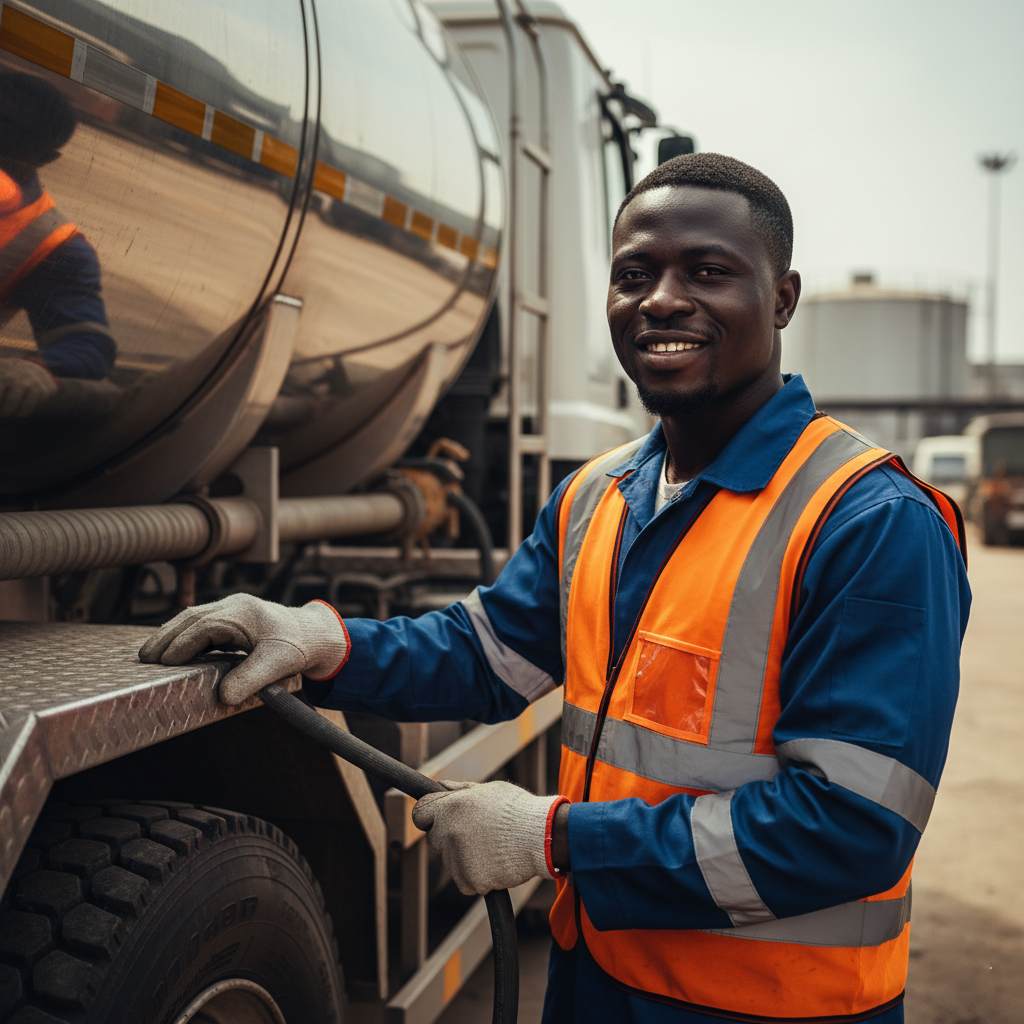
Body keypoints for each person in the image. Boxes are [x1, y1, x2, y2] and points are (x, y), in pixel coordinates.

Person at [140, 153, 970, 1024]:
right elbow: (488, 656)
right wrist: (323, 643)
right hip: (595, 981)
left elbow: (851, 829)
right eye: (634, 275)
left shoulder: (869, 520)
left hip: (766, 1009)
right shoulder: (597, 496)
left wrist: (555, 837)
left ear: (783, 298)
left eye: (709, 272)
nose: (663, 299)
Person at [0, 71, 115, 417]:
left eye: (7, 128)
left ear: (45, 158)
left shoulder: (50, 242)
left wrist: (39, 368)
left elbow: (87, 342)